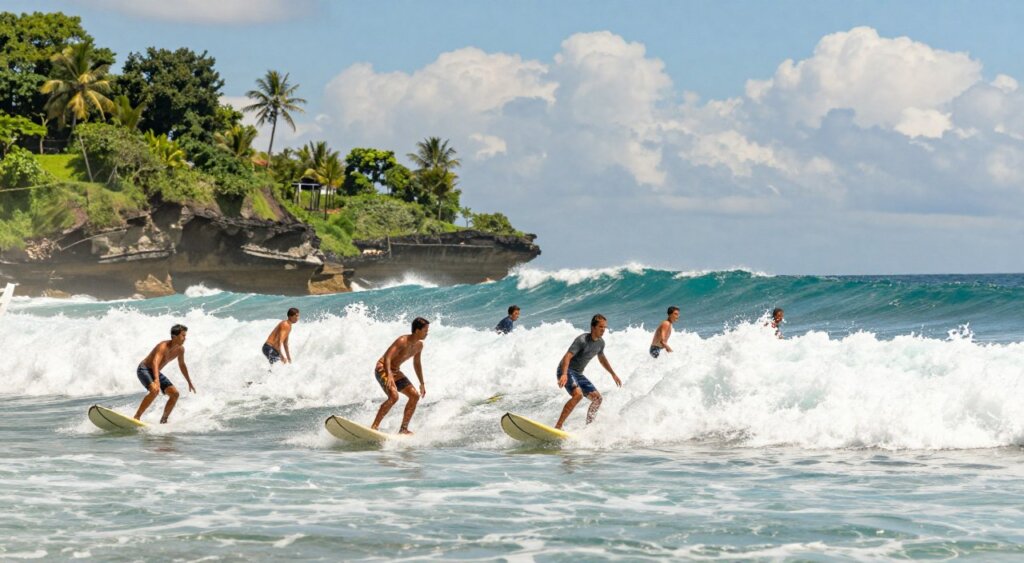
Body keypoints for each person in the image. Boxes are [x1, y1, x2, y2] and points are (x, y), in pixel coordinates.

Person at [555, 314, 622, 430]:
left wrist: (613, 374)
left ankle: (588, 428)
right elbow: (567, 356)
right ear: (593, 327)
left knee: (597, 399)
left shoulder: (601, 343)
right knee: (578, 395)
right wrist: (564, 374)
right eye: (601, 327)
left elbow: (602, 359)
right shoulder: (582, 340)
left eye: (605, 327)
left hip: (578, 373)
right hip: (566, 369)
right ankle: (558, 426)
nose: (603, 330)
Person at [371, 317, 430, 434]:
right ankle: (374, 427)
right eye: (425, 330)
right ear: (417, 331)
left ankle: (403, 429)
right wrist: (389, 375)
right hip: (383, 368)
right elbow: (387, 357)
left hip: (395, 371)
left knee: (414, 396)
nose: (427, 333)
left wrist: (422, 383)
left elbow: (417, 363)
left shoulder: (419, 346)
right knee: (394, 397)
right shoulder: (402, 340)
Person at [134, 324, 196, 423]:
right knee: (155, 390)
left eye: (185, 336)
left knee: (175, 394)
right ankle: (137, 417)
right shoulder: (163, 346)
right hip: (144, 369)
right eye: (183, 336)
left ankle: (163, 420)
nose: (185, 338)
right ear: (174, 337)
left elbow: (182, 365)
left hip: (155, 371)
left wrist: (189, 381)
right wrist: (156, 380)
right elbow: (155, 362)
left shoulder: (180, 349)